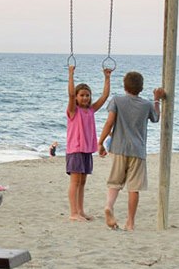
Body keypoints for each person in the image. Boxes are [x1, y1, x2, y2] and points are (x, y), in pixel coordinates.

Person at [96, 70, 164, 232]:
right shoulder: (146, 104)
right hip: (138, 150)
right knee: (134, 188)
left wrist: (100, 142)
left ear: (124, 86)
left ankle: (109, 206)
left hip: (118, 148)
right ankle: (130, 222)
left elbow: (109, 123)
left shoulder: (117, 100)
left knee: (114, 182)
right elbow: (156, 118)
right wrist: (157, 99)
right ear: (141, 88)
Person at [64, 64, 112, 222]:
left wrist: (107, 78)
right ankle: (73, 213)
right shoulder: (73, 110)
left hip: (87, 150)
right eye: (82, 95)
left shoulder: (90, 110)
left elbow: (104, 97)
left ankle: (80, 210)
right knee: (75, 181)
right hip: (75, 149)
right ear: (77, 97)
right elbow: (70, 95)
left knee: (82, 182)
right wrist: (71, 74)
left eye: (87, 95)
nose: (85, 98)